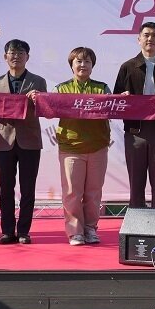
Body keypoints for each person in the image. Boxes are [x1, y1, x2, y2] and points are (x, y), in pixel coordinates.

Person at [44, 46, 111, 246]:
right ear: (71, 65)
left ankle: (90, 229)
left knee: (93, 192)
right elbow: (48, 112)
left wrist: (120, 99)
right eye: (79, 61)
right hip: (71, 146)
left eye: (87, 61)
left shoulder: (102, 87)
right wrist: (38, 99)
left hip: (98, 145)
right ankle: (75, 232)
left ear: (93, 65)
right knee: (72, 192)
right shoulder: (61, 89)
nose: (83, 65)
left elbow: (112, 110)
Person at [113, 21, 155, 209]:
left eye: (154, 35)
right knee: (136, 181)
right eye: (146, 35)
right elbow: (116, 99)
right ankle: (136, 221)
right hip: (135, 131)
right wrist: (123, 97)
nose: (150, 38)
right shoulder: (127, 67)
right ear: (139, 40)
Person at [0, 39, 47, 245]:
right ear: (5, 57)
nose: (16, 56)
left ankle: (24, 231)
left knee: (27, 188)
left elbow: (45, 110)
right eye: (12, 53)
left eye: (20, 53)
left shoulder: (38, 82)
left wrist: (38, 99)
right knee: (6, 189)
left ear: (27, 57)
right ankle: (7, 231)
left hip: (29, 140)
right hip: (4, 140)